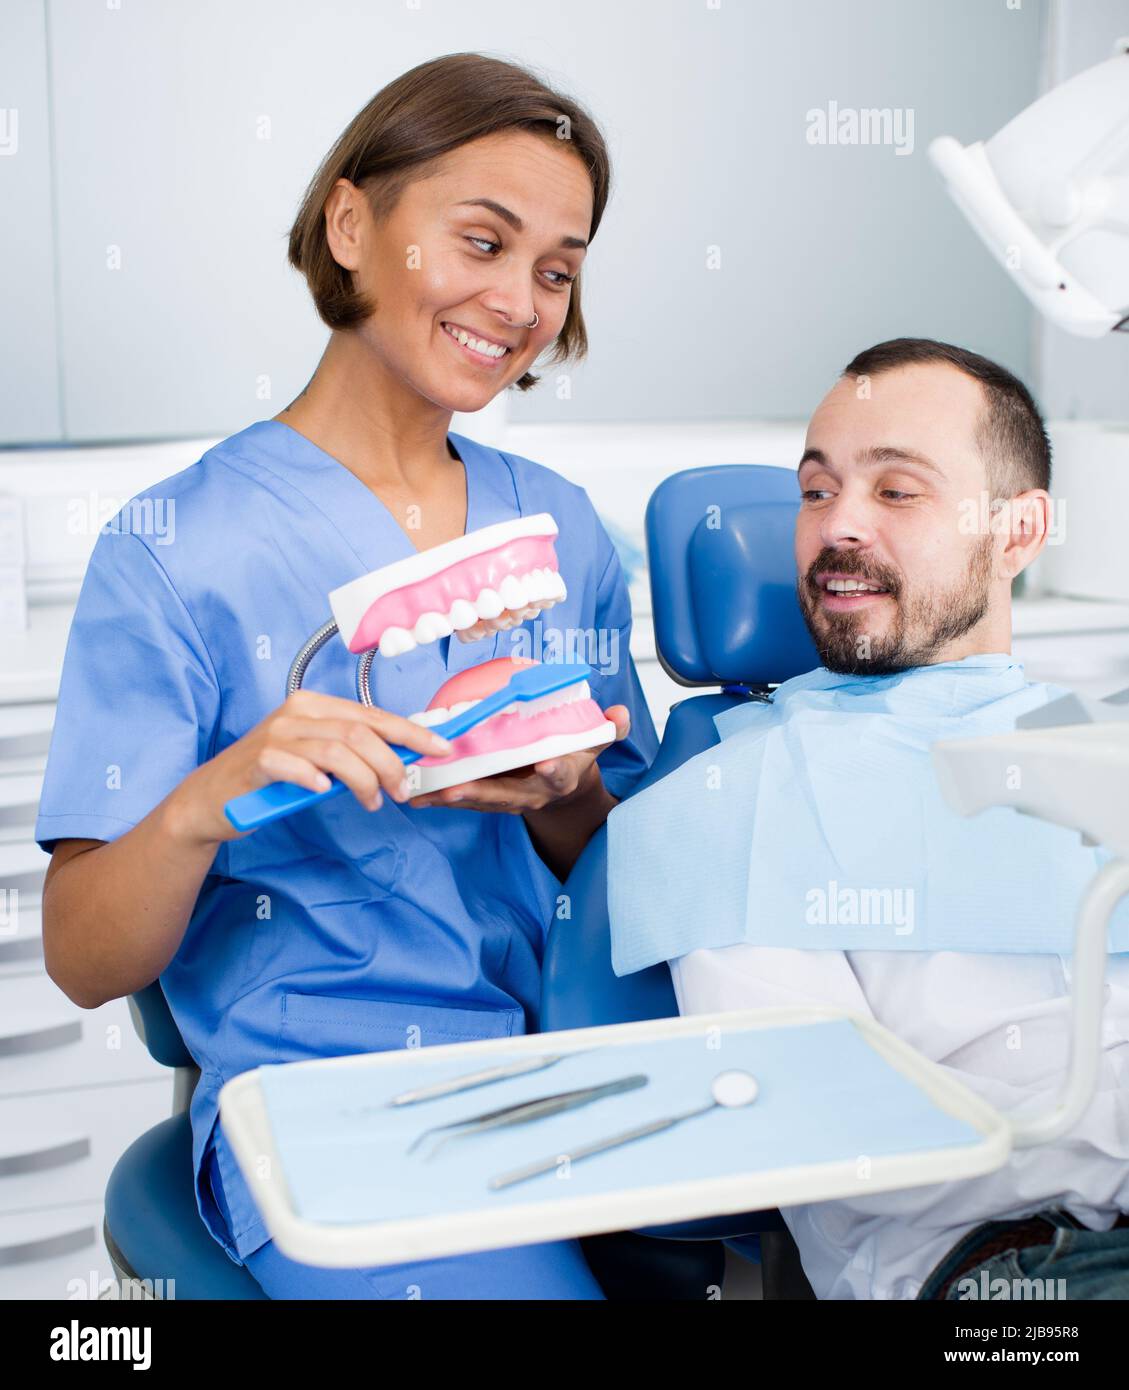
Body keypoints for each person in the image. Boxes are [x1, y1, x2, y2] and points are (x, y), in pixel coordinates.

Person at [37, 52, 658, 1300]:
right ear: (351, 222)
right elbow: (84, 954)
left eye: (555, 269)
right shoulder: (175, 547)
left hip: (572, 1079)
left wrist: (561, 791)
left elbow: (621, 877)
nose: (521, 299)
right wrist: (216, 791)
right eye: (480, 241)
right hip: (325, 1111)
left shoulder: (562, 533)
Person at [607, 338, 1129, 1300]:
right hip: (1013, 1276)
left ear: (1016, 533)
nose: (835, 525)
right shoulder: (729, 798)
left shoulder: (1088, 747)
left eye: (895, 491)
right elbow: (827, 1133)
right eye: (815, 491)